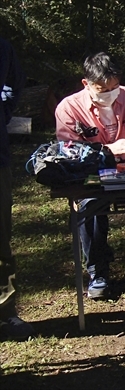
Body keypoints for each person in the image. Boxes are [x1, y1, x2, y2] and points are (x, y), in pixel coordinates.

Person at [55, 52, 125, 299]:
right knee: (90, 207)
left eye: (114, 87)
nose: (109, 92)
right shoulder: (68, 108)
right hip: (91, 174)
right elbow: (69, 151)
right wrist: (107, 151)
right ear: (86, 84)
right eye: (101, 88)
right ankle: (98, 272)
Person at [0, 38, 35, 340]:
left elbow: (14, 81)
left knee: (1, 239)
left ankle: (5, 313)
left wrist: (2, 110)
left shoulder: (2, 45)